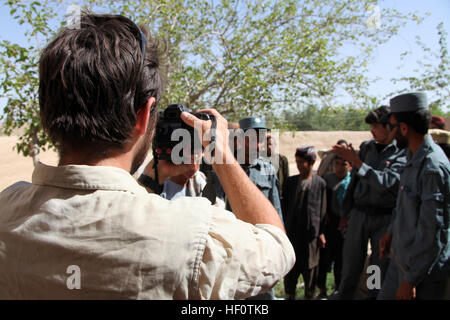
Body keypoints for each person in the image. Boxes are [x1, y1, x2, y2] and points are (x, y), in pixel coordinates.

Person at [0, 13, 295, 299]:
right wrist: (222, 154)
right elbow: (277, 247)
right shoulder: (193, 236)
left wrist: (153, 178)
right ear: (142, 116)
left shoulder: (7, 211)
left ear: (45, 113)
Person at [378, 92, 450, 300]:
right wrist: (390, 233)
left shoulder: (433, 167)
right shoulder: (411, 156)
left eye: (392, 127)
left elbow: (432, 233)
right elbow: (405, 206)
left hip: (421, 275)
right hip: (400, 262)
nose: (390, 134)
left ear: (403, 128)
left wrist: (410, 280)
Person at [332, 105, 407, 300]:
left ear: (389, 127)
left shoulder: (401, 152)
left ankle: (373, 296)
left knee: (377, 266)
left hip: (383, 219)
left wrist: (355, 161)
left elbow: (385, 182)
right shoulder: (367, 147)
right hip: (359, 215)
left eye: (376, 126)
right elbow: (354, 181)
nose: (372, 131)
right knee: (351, 263)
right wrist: (345, 214)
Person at [232, 116, 283, 300]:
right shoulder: (227, 169)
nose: (259, 142)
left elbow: (276, 212)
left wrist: (279, 249)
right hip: (234, 251)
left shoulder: (268, 170)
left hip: (262, 251)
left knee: (263, 296)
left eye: (261, 137)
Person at [282, 146, 327, 300]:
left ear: (312, 162)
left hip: (310, 235)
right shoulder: (290, 182)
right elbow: (284, 207)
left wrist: (320, 232)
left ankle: (310, 294)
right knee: (291, 266)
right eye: (297, 162)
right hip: (292, 232)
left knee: (311, 265)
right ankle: (290, 294)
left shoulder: (320, 183)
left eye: (302, 162)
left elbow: (322, 210)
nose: (299, 165)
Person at [316, 155, 351, 299]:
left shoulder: (352, 181)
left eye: (344, 164)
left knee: (340, 260)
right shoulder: (328, 180)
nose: (340, 167)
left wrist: (347, 218)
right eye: (337, 163)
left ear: (349, 166)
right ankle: (322, 290)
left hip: (346, 226)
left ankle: (338, 289)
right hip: (329, 224)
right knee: (324, 259)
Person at [265, 133, 289, 198]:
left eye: (270, 144)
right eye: (266, 145)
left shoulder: (282, 159)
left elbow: (286, 178)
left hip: (280, 195)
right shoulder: (261, 160)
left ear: (275, 145)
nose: (268, 147)